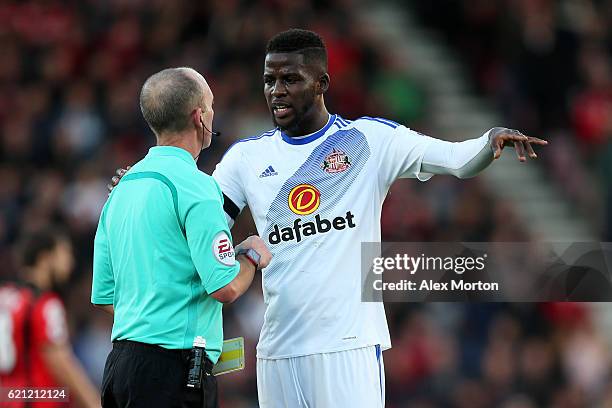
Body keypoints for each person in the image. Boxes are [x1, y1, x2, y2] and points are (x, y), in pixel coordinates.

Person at [110, 30, 547, 407]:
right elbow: (196, 218)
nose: (276, 90)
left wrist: (489, 141)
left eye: (290, 79)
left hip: (348, 346)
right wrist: (140, 190)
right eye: (269, 80)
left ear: (322, 82)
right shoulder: (247, 158)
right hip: (278, 350)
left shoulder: (370, 141)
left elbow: (453, 158)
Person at [92, 67, 271, 408]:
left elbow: (105, 296)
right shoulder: (197, 186)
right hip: (173, 373)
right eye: (212, 104)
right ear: (199, 116)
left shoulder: (121, 189)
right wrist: (249, 255)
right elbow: (226, 287)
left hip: (120, 368)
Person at [0, 228, 100, 408]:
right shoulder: (45, 305)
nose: (71, 263)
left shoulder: (5, 297)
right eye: (65, 253)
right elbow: (61, 362)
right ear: (46, 259)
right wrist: (93, 402)